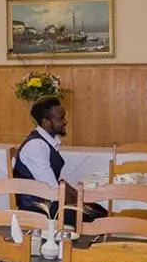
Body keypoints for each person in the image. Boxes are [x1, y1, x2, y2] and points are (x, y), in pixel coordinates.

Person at [11, 96, 107, 225]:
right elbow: (53, 190)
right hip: (36, 207)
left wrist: (84, 198)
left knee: (99, 210)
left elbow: (57, 183)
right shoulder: (36, 146)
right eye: (60, 119)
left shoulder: (44, 142)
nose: (65, 121)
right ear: (46, 122)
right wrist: (81, 202)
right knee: (98, 219)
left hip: (50, 201)